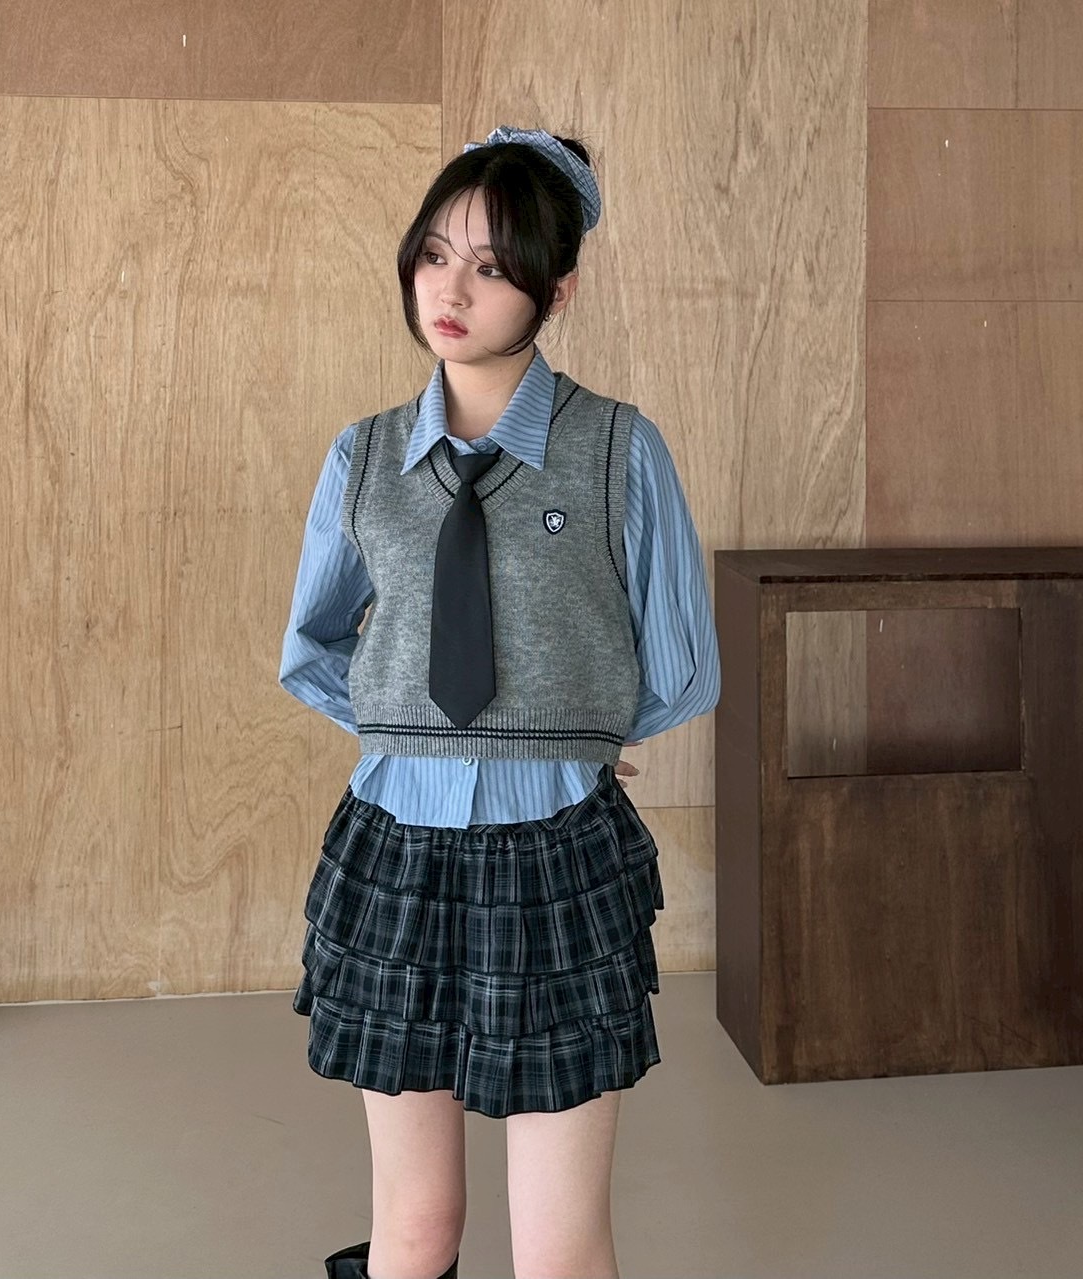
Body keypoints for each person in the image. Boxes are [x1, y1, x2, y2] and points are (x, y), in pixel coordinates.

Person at [280, 124, 720, 1279]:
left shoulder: (618, 449)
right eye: (433, 255)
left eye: (490, 265)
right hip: (392, 857)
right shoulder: (364, 457)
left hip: (556, 858)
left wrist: (573, 731)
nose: (451, 289)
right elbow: (312, 648)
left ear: (555, 289)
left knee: (559, 1248)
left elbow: (684, 665)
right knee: (414, 1229)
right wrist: (415, 732)